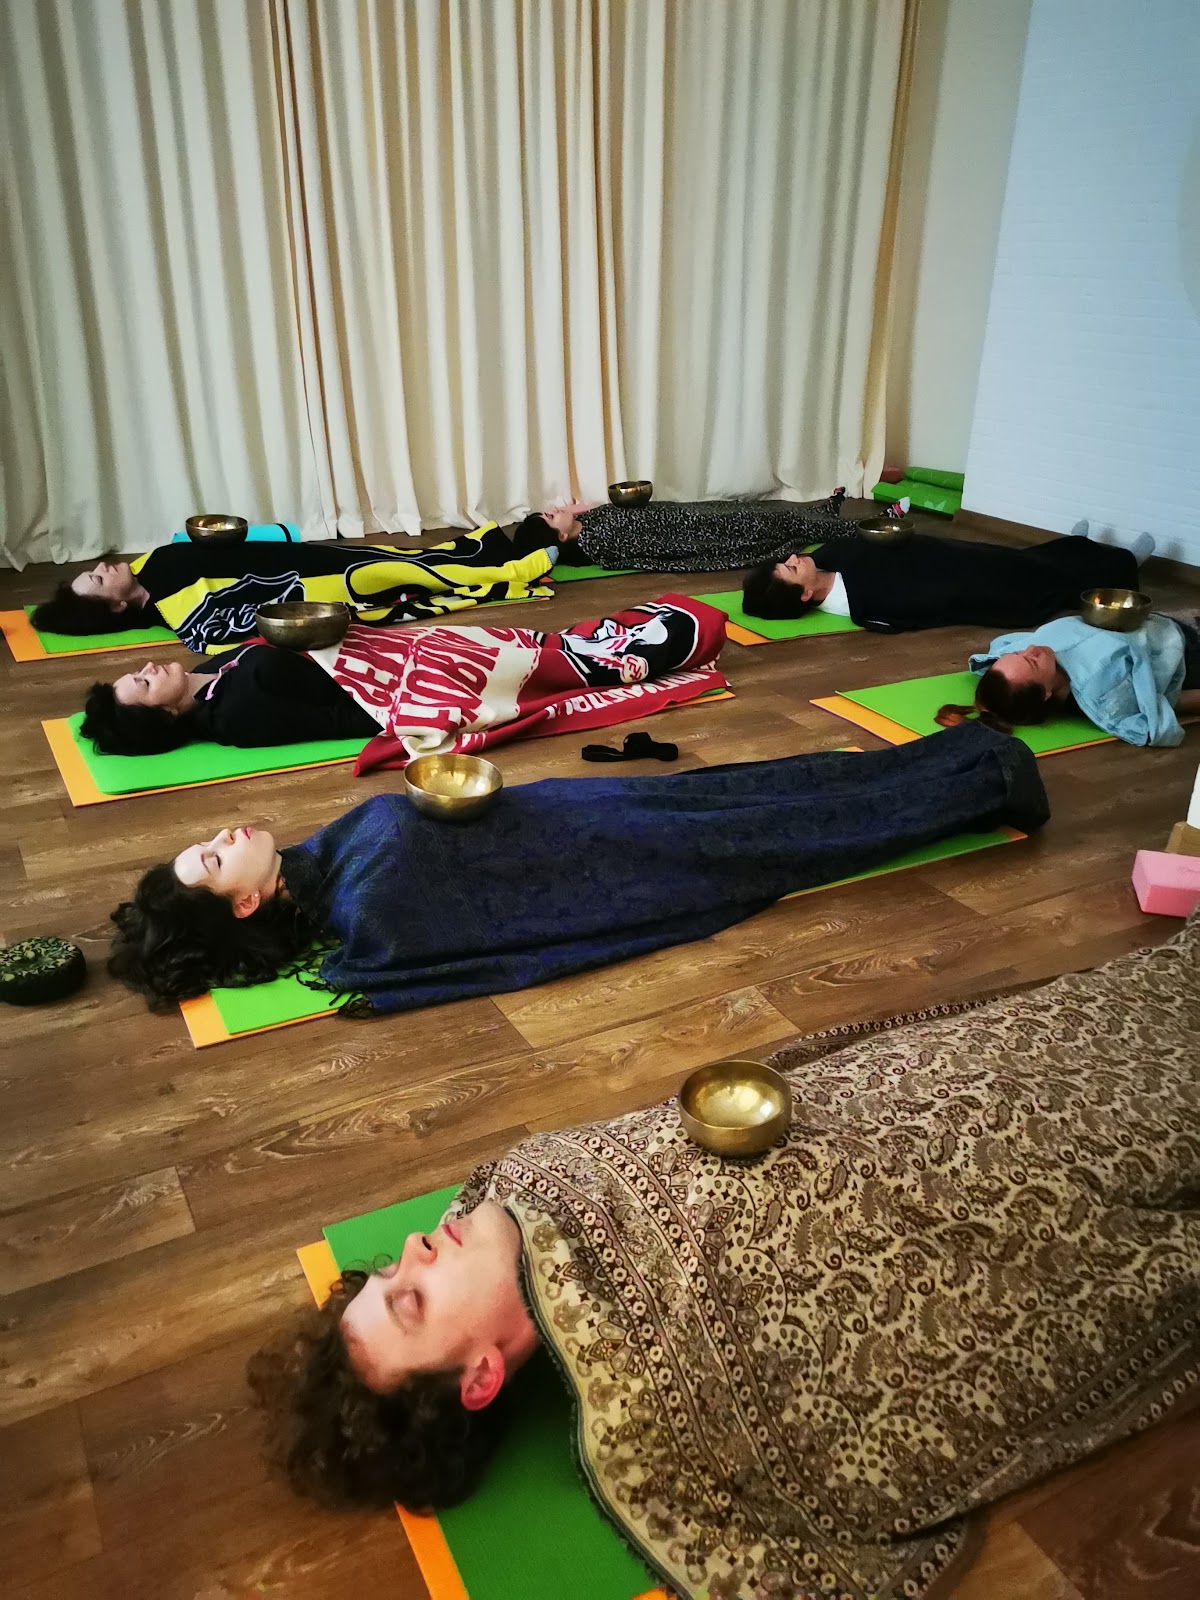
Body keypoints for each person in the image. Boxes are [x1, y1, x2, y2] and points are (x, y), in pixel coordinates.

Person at [247, 913, 1200, 1600]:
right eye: (412, 1300)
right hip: (975, 1178)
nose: (416, 1248)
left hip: (907, 1090)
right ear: (482, 1376)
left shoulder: (506, 1197)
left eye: (390, 1270)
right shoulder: (655, 1410)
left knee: (1062, 1034)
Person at [107, 721, 1048, 1012]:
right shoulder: (362, 909)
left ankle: (961, 757)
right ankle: (986, 785)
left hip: (580, 812)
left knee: (766, 786)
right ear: (244, 905)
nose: (225, 833)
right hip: (611, 856)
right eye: (214, 857)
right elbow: (496, 913)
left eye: (209, 840)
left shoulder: (320, 861)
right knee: (785, 829)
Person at [78, 597, 728, 757]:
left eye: (135, 672)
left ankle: (618, 639)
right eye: (142, 685)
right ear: (165, 716)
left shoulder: (209, 674)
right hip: (421, 681)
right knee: (566, 667)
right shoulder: (238, 713)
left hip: (416, 651)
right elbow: (346, 705)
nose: (145, 668)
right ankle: (671, 643)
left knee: (547, 642)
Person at [30, 526, 556, 652]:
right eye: (98, 579)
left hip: (301, 555)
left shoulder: (150, 562)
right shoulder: (178, 610)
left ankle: (504, 547)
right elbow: (220, 635)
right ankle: (515, 571)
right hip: (314, 584)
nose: (102, 566)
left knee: (404, 555)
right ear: (116, 607)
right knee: (407, 575)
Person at [740, 526, 1152, 631]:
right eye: (791, 568)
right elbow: (934, 602)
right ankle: (1125, 563)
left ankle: (1078, 544)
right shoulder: (864, 604)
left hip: (950, 552)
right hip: (966, 577)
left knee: (1022, 556)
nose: (795, 558)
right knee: (1029, 573)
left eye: (787, 560)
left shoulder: (823, 560)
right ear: (805, 595)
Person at [937, 608, 1200, 746]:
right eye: (1032, 661)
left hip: (1156, 621)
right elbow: (1162, 704)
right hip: (1187, 650)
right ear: (1045, 693)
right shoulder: (1104, 698)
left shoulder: (1028, 655)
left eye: (1019, 653)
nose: (1031, 649)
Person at [511, 488, 856, 573]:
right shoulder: (597, 540)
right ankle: (858, 530)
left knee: (765, 511)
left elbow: (594, 509)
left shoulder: (589, 526)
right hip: (701, 532)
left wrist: (572, 512)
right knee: (780, 523)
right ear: (561, 537)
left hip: (692, 516)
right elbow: (661, 547)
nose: (555, 510)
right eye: (551, 517)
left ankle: (823, 514)